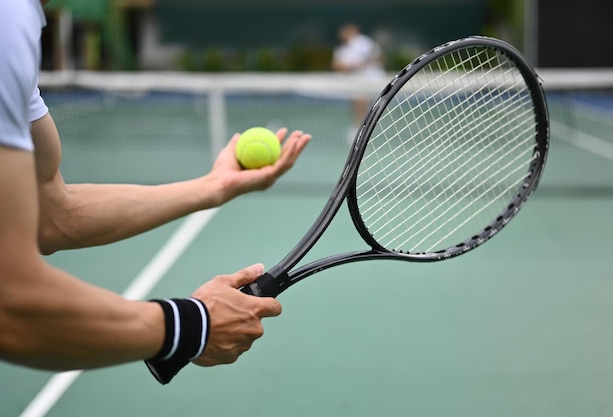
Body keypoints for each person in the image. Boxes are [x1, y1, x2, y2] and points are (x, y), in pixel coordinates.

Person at [0, 0, 311, 384]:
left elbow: (49, 216)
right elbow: (10, 306)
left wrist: (214, 186)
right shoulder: (7, 20)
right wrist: (192, 326)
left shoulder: (20, 22)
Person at [331, 24, 385, 141]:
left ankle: (362, 128)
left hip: (372, 78)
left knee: (363, 100)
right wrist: (350, 67)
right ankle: (360, 128)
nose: (342, 35)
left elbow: (379, 57)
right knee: (357, 101)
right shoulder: (341, 48)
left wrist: (362, 64)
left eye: (344, 32)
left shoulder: (365, 42)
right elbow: (337, 66)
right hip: (354, 80)